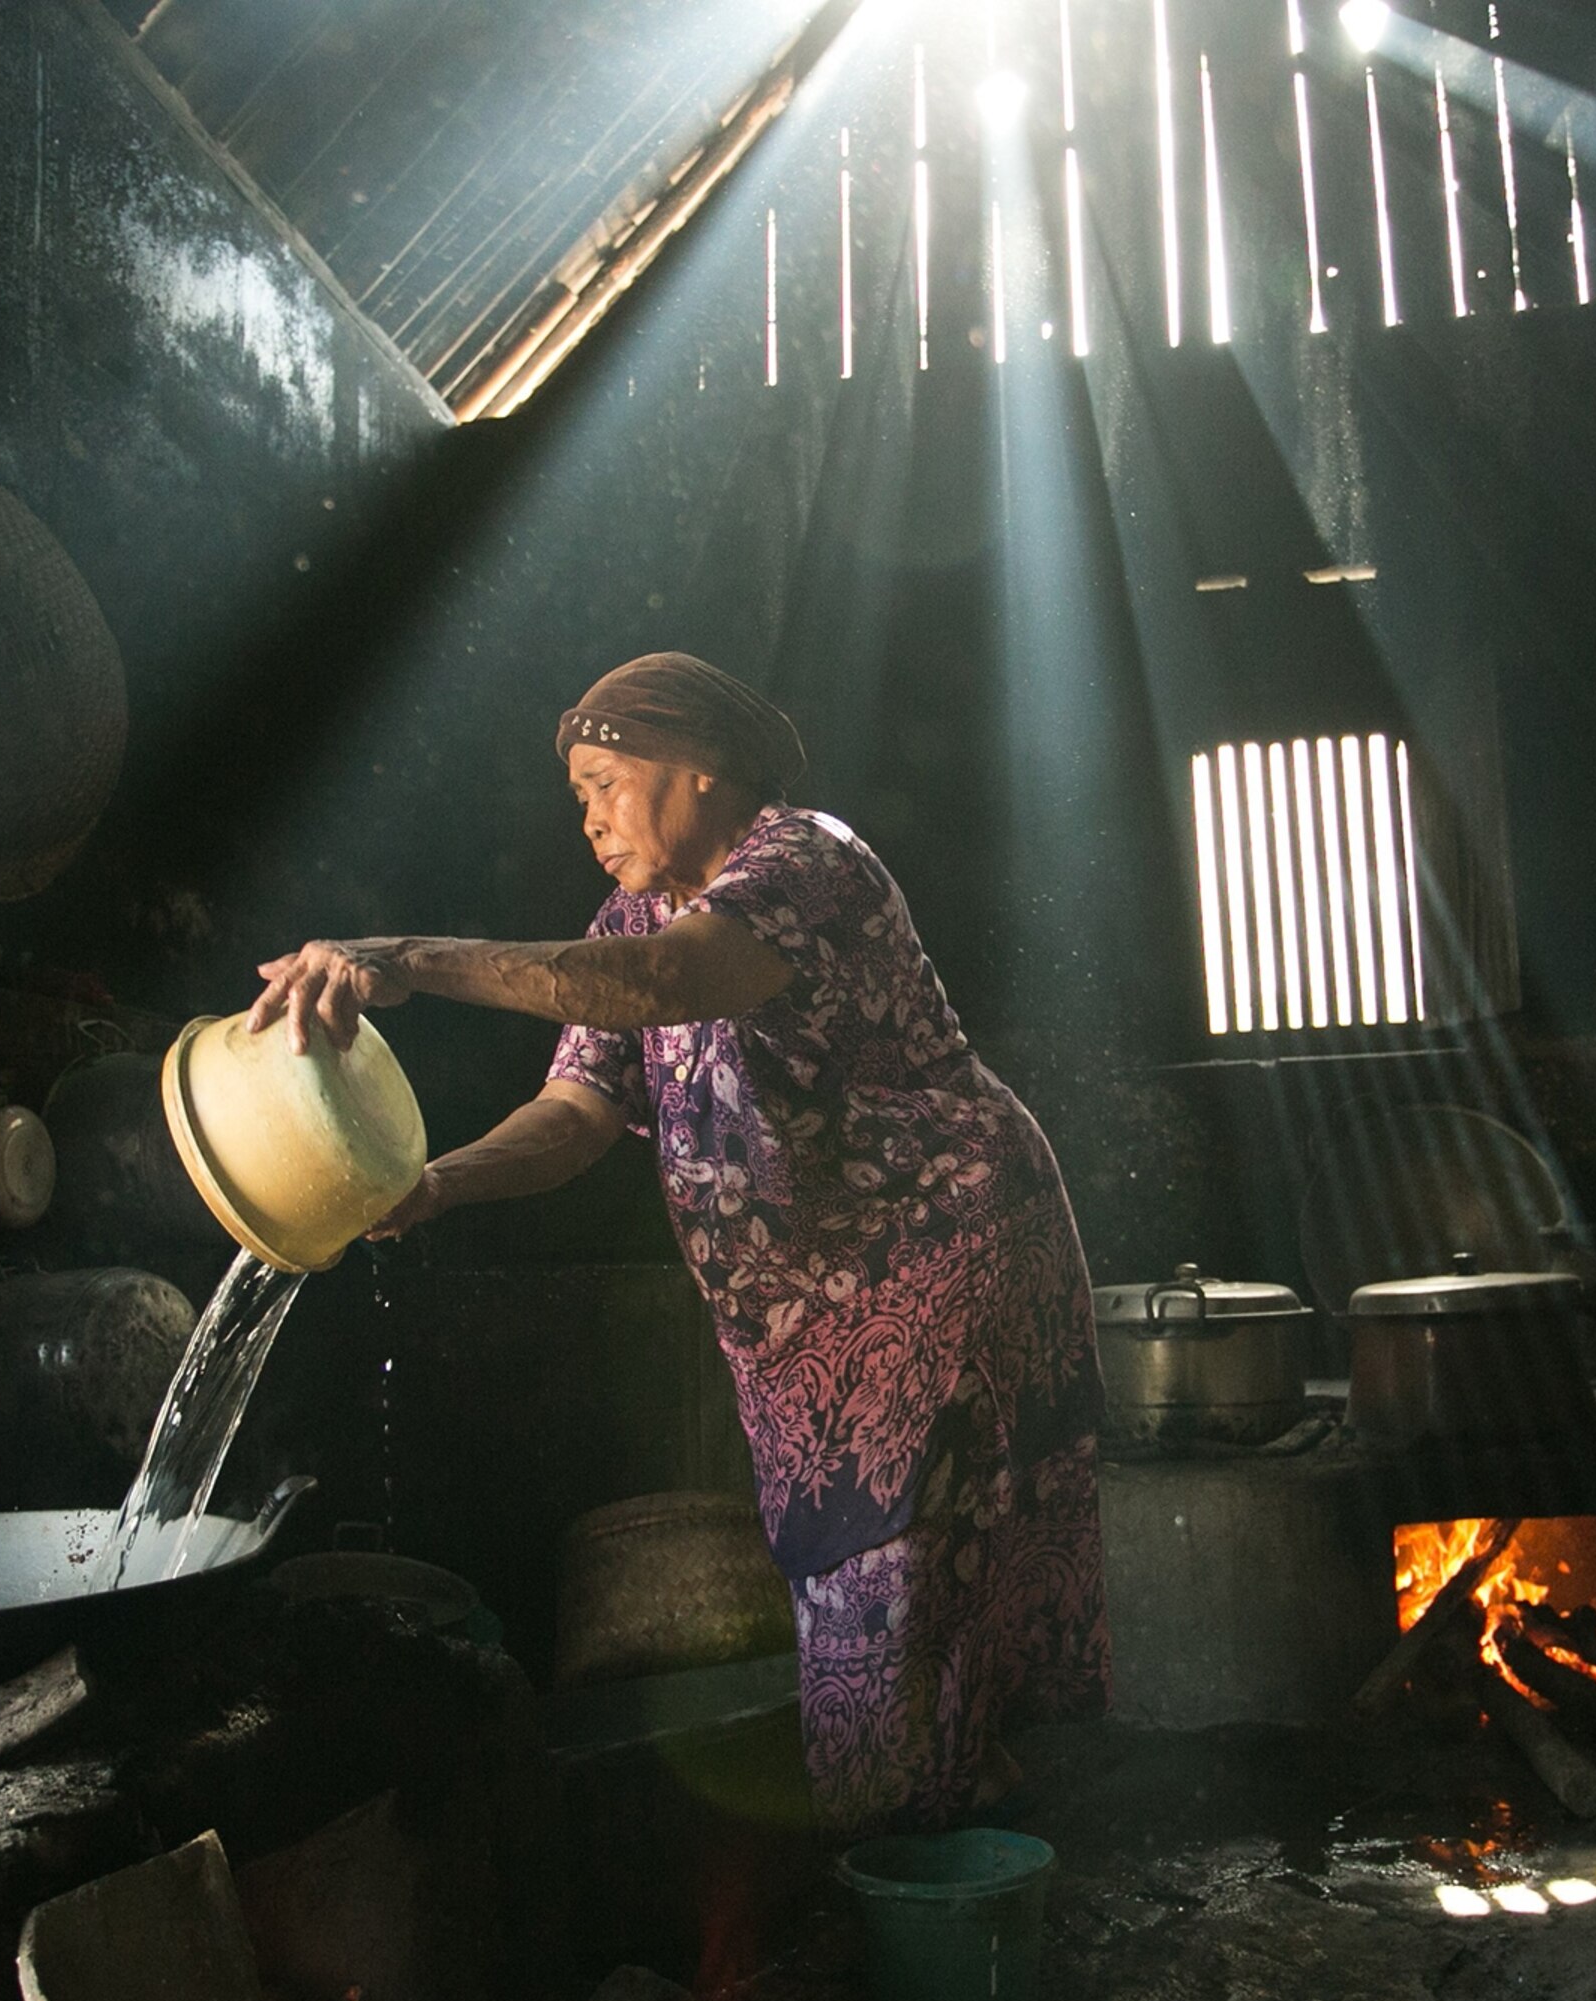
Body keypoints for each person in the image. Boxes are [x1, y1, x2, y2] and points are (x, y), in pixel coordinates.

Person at [248, 651, 1108, 1835]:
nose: (589, 814)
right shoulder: (627, 918)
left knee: (891, 1630)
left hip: (941, 1267)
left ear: (702, 770)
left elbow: (658, 983)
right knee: (903, 1642)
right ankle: (982, 1872)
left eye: (605, 778)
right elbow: (574, 1113)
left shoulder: (807, 861)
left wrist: (407, 959)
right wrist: (434, 1184)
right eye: (577, 793)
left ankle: (929, 1899)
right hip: (816, 1329)